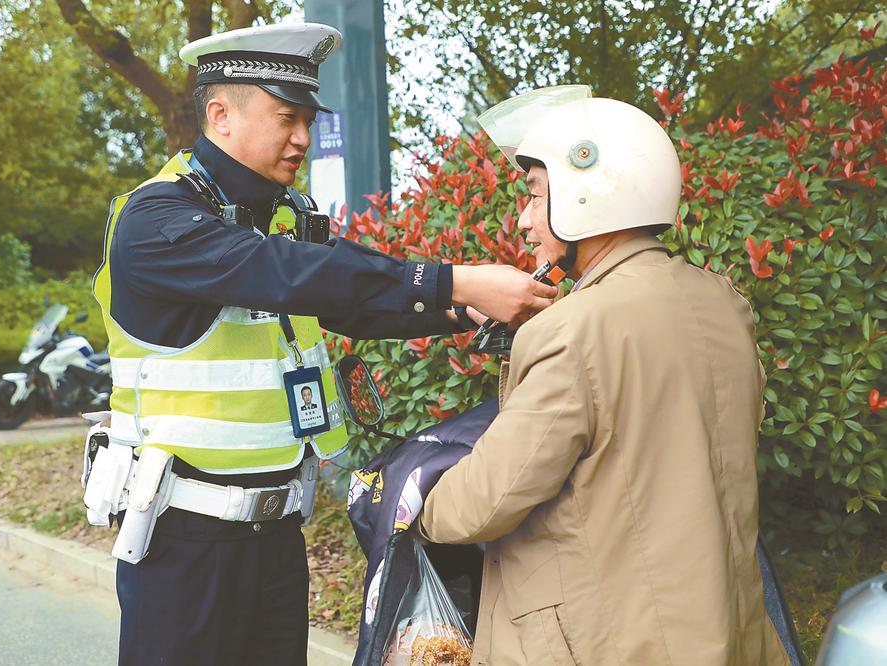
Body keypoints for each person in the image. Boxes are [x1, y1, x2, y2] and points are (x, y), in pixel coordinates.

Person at [91, 22, 557, 666]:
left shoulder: (280, 216)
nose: (303, 139)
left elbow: (347, 296)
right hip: (183, 539)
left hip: (277, 535)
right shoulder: (156, 219)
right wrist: (457, 278)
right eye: (287, 118)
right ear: (220, 114)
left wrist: (463, 309)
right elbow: (286, 273)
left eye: (308, 119)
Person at [419, 87, 791, 665]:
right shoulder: (721, 301)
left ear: (589, 194)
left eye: (537, 196)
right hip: (729, 631)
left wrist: (412, 503)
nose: (523, 220)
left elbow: (483, 504)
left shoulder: (573, 330)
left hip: (613, 642)